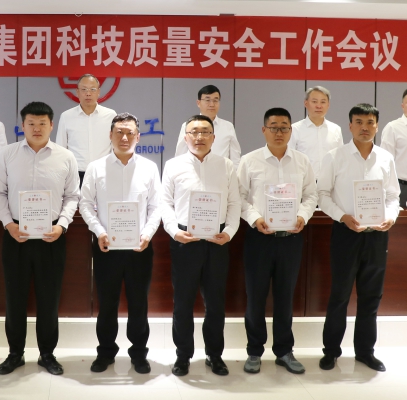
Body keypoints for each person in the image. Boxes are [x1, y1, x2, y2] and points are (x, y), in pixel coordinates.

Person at [0, 101, 81, 376]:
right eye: (31, 123)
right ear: (22, 126)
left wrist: (62, 225)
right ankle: (15, 354)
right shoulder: (7, 154)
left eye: (42, 123)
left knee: (49, 299)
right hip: (15, 234)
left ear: (52, 125)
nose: (37, 128)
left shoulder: (65, 157)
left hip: (51, 237)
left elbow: (72, 196)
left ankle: (47, 354)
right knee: (14, 298)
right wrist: (8, 224)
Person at [318, 103, 400, 372]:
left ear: (377, 126)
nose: (365, 127)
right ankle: (331, 351)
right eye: (359, 122)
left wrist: (391, 217)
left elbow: (393, 195)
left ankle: (365, 352)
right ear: (350, 125)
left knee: (371, 296)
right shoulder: (335, 157)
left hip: (377, 235)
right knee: (339, 295)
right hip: (346, 233)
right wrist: (342, 216)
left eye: (370, 122)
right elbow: (323, 194)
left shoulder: (386, 158)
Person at [79, 112, 162, 374]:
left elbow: (156, 206)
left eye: (129, 133)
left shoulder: (149, 167)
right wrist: (99, 231)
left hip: (140, 248)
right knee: (107, 304)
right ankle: (105, 353)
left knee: (139, 303)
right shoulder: (95, 168)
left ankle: (139, 354)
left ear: (138, 136)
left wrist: (147, 234)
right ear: (110, 135)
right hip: (107, 247)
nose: (124, 137)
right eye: (119, 132)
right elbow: (85, 204)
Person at [237, 108, 318, 374]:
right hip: (259, 238)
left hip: (290, 239)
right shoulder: (249, 161)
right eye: (274, 127)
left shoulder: (302, 161)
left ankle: (284, 351)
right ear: (264, 130)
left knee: (285, 297)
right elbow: (239, 197)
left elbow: (311, 195)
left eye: (284, 127)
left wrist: (303, 216)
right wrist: (255, 218)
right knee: (256, 297)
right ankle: (254, 351)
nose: (279, 132)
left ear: (291, 130)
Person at [161, 114, 241, 377]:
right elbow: (165, 203)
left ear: (213, 137)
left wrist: (229, 232)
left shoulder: (226, 165)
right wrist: (174, 232)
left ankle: (214, 355)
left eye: (205, 132)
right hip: (185, 240)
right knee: (183, 302)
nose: (199, 137)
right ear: (185, 137)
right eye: (194, 132)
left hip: (217, 241)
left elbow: (234, 203)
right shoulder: (173, 166)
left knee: (215, 303)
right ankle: (183, 355)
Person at [56, 74, 117, 183]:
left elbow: (115, 147)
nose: (88, 93)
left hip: (104, 173)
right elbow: (61, 149)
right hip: (75, 175)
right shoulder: (66, 116)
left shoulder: (111, 115)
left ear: (99, 92)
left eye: (92, 89)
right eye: (84, 89)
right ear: (77, 92)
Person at [173, 85, 241, 168]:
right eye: (207, 100)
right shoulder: (188, 125)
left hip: (220, 173)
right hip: (194, 172)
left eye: (215, 100)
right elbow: (180, 155)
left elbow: (235, 159)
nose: (212, 104)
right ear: (198, 103)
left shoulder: (228, 126)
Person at [290, 86, 343, 177]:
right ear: (306, 103)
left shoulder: (336, 129)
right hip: (304, 181)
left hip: (330, 181)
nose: (319, 106)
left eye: (323, 102)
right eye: (314, 102)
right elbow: (289, 159)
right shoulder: (294, 129)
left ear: (328, 105)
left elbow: (340, 158)